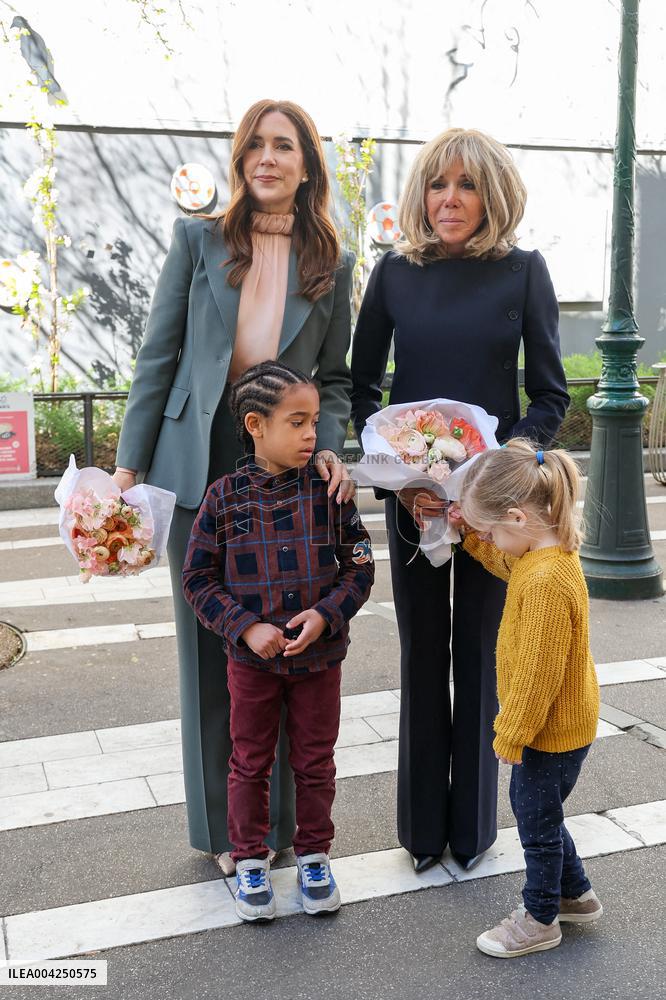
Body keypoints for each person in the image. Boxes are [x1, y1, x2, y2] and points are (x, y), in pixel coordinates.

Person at [113, 99, 356, 874]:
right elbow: (159, 357)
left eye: (283, 145)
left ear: (306, 163)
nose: (266, 157)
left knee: (289, 644)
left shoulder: (333, 262)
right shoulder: (197, 241)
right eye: (254, 144)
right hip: (199, 458)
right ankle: (226, 831)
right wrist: (127, 466)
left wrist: (334, 447)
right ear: (240, 159)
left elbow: (340, 379)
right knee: (213, 643)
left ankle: (282, 827)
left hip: (286, 470)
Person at [350, 127, 570, 874]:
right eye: (439, 184)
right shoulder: (393, 274)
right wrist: (401, 469)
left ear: (492, 195)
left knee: (481, 651)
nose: (450, 199)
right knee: (422, 652)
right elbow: (361, 388)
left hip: (492, 504)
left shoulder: (524, 273)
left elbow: (548, 395)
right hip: (412, 496)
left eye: (467, 186)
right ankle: (420, 833)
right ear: (422, 193)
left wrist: (506, 461)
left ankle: (474, 830)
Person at [182, 361, 374, 921]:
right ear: (255, 425)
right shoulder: (223, 499)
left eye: (314, 420)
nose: (312, 433)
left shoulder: (330, 491)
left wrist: (326, 615)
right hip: (252, 664)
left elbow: (359, 567)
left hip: (321, 660)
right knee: (249, 762)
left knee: (316, 762)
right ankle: (248, 860)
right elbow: (197, 578)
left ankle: (315, 856)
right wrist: (244, 626)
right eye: (297, 421)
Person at [449, 439, 601, 958]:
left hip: (547, 731)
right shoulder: (545, 556)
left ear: (517, 517)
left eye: (491, 529)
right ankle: (574, 893)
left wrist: (510, 734)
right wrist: (471, 536)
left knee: (535, 822)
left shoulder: (544, 583)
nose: (488, 538)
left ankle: (540, 917)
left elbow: (538, 675)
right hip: (562, 725)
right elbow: (505, 561)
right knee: (546, 812)